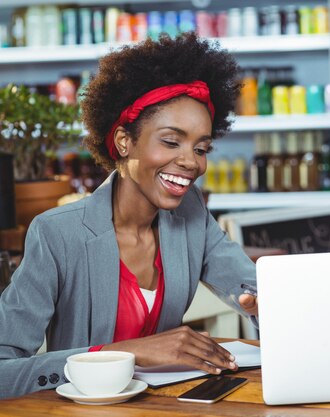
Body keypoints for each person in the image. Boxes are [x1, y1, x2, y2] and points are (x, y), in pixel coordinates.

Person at [0, 33, 258, 398]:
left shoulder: (191, 212)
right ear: (124, 141)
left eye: (201, 148)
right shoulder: (57, 234)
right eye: (171, 141)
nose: (191, 161)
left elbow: (248, 288)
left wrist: (263, 303)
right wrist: (126, 353)